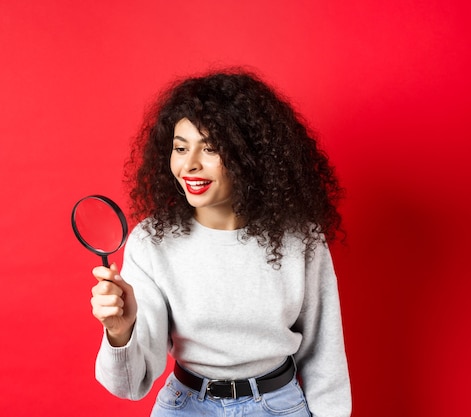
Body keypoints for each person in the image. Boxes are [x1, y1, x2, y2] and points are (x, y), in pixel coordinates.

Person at [90, 69, 351, 417]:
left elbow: (324, 355)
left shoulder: (300, 239)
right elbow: (130, 385)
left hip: (278, 406)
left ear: (250, 156)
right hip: (185, 406)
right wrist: (120, 333)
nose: (190, 165)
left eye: (210, 148)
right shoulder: (152, 242)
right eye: (180, 148)